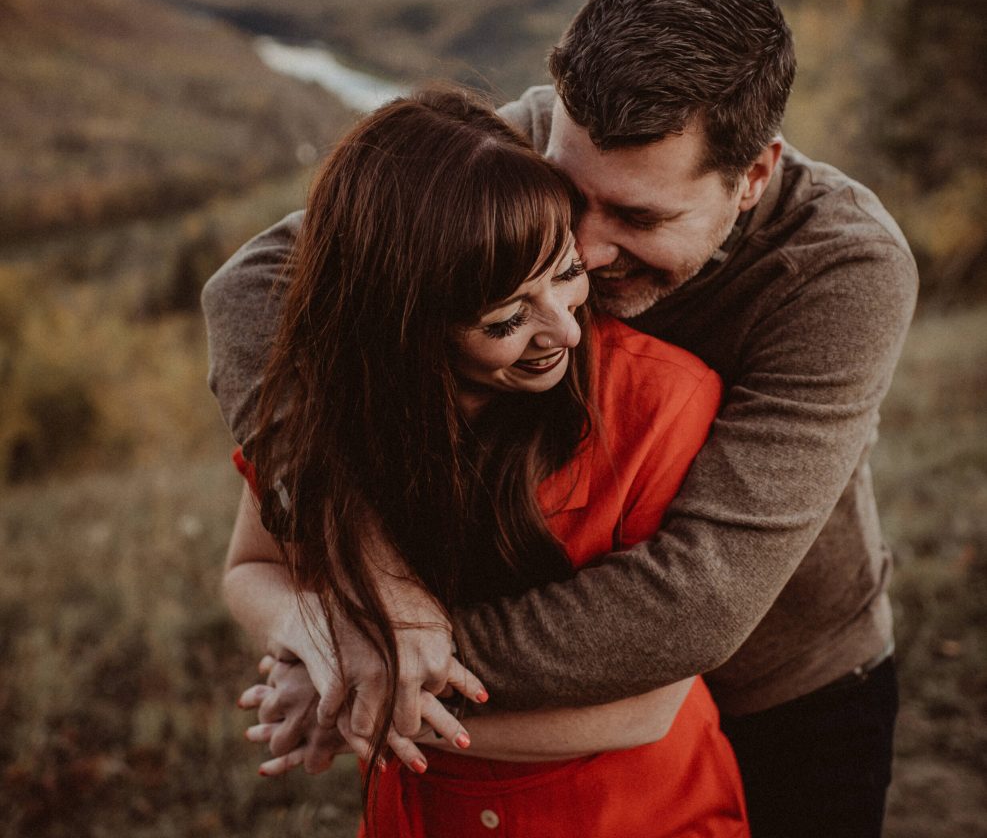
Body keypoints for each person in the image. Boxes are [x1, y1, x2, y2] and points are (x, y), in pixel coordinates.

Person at [203, 0, 918, 838]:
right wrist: (375, 582)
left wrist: (378, 659)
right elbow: (252, 287)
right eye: (571, 195)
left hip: (791, 679)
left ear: (754, 176)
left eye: (641, 219)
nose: (584, 249)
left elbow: (692, 600)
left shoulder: (846, 266)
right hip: (548, 665)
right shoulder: (533, 138)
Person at [219, 88, 749, 837]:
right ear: (406, 324)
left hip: (634, 816)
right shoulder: (333, 413)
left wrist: (364, 715)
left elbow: (647, 706)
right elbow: (252, 570)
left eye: (566, 272)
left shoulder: (660, 402)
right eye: (505, 319)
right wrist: (329, 636)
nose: (564, 330)